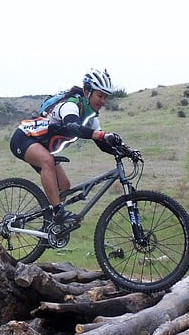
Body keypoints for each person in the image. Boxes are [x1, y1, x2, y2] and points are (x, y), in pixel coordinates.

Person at [10, 68, 122, 225]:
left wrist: (124, 150)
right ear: (88, 92)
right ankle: (58, 212)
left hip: (41, 145)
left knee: (64, 185)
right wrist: (100, 135)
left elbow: (102, 144)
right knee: (47, 161)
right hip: (24, 138)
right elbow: (73, 127)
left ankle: (52, 227)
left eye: (105, 97)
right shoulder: (70, 105)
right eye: (100, 95)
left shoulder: (90, 117)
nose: (103, 101)